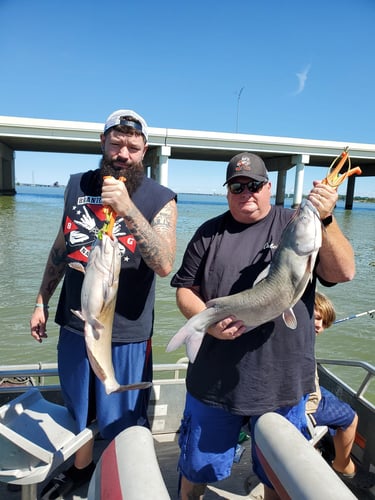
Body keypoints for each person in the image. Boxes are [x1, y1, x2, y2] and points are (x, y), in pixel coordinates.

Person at [170, 152, 355, 500]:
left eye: (255, 185)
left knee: (277, 474)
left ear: (269, 187)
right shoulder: (208, 233)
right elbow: (185, 290)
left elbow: (342, 272)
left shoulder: (295, 223)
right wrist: (206, 324)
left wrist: (326, 219)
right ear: (227, 192)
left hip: (283, 382)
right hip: (213, 383)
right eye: (237, 186)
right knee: (196, 466)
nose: (247, 193)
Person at [30, 109, 177, 499]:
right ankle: (81, 471)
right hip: (75, 322)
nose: (123, 154)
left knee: (121, 419)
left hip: (126, 330)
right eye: (116, 144)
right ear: (102, 143)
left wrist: (128, 207)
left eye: (132, 146)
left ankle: (117, 482)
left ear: (145, 150)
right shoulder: (78, 184)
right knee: (78, 410)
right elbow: (62, 245)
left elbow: (164, 264)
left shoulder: (159, 198)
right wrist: (42, 299)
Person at [307, 292, 375, 490]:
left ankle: (327, 443)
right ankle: (343, 466)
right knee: (350, 416)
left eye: (325, 323)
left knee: (333, 397)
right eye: (317, 318)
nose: (320, 326)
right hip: (304, 402)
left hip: (310, 390)